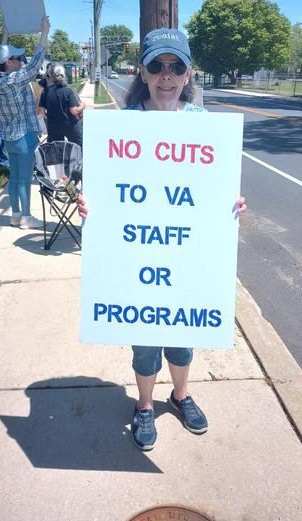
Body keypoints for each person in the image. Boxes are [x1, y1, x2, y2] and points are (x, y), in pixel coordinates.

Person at [77, 28, 246, 452]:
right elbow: (107, 190)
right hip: (139, 256)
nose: (166, 76)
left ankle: (181, 394)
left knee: (182, 336)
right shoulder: (124, 124)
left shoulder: (204, 126)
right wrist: (90, 207)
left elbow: (215, 189)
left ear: (189, 73)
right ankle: (146, 404)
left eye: (176, 67)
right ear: (144, 72)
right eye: (157, 66)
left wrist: (231, 205)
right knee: (145, 338)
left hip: (183, 256)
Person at [0, 16, 50, 230]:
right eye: (18, 58)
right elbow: (36, 63)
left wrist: (5, 36)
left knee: (14, 179)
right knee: (24, 180)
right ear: (9, 62)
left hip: (10, 139)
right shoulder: (16, 79)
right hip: (25, 137)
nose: (22, 61)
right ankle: (26, 218)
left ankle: (15, 215)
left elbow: (6, 58)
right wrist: (44, 32)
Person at [38, 62, 85, 148]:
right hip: (70, 125)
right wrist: (83, 106)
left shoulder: (46, 92)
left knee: (56, 151)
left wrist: (50, 117)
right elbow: (74, 111)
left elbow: (42, 112)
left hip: (54, 127)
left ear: (51, 76)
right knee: (79, 146)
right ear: (63, 76)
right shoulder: (68, 91)